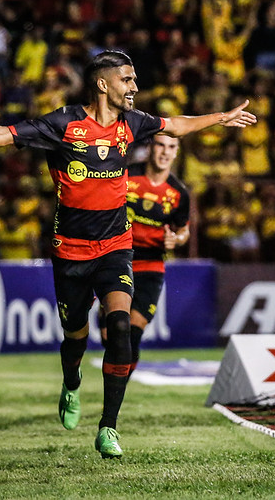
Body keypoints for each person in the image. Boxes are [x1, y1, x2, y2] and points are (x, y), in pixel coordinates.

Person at [0, 50, 256, 459]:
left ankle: (108, 427)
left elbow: (174, 125)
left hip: (116, 246)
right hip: (71, 251)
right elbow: (4, 135)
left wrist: (220, 118)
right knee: (75, 337)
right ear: (103, 84)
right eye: (128, 79)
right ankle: (71, 383)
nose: (135, 87)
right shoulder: (64, 123)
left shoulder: (131, 123)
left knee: (120, 328)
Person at [99, 133, 190, 376]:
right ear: (150, 147)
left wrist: (177, 239)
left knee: (133, 332)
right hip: (118, 259)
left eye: (171, 147)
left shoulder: (179, 193)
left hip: (151, 265)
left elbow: (184, 231)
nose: (165, 152)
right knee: (112, 335)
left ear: (176, 152)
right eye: (160, 145)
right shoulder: (127, 175)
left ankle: (117, 395)